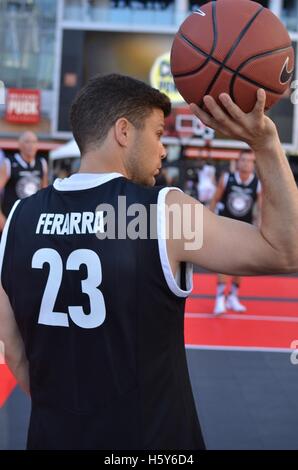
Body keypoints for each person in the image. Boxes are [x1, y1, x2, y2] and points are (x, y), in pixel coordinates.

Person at [0, 74, 297, 450]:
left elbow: (13, 350)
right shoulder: (161, 211)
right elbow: (286, 250)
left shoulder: (19, 218)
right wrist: (266, 142)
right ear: (124, 131)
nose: (162, 150)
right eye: (158, 134)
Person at [209, 151, 262, 315]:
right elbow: (214, 200)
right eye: (243, 160)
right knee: (225, 263)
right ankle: (219, 299)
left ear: (253, 165)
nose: (246, 163)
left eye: (249, 161)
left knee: (241, 265)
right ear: (238, 163)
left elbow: (260, 208)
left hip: (245, 228)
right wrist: (208, 220)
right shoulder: (227, 178)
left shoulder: (257, 183)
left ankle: (233, 296)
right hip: (226, 226)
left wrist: (260, 225)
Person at [0, 131, 48, 232]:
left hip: (34, 218)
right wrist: (0, 217)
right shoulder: (9, 163)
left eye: (34, 142)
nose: (31, 145)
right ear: (20, 145)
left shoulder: (42, 163)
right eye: (27, 142)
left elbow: (45, 193)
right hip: (11, 218)